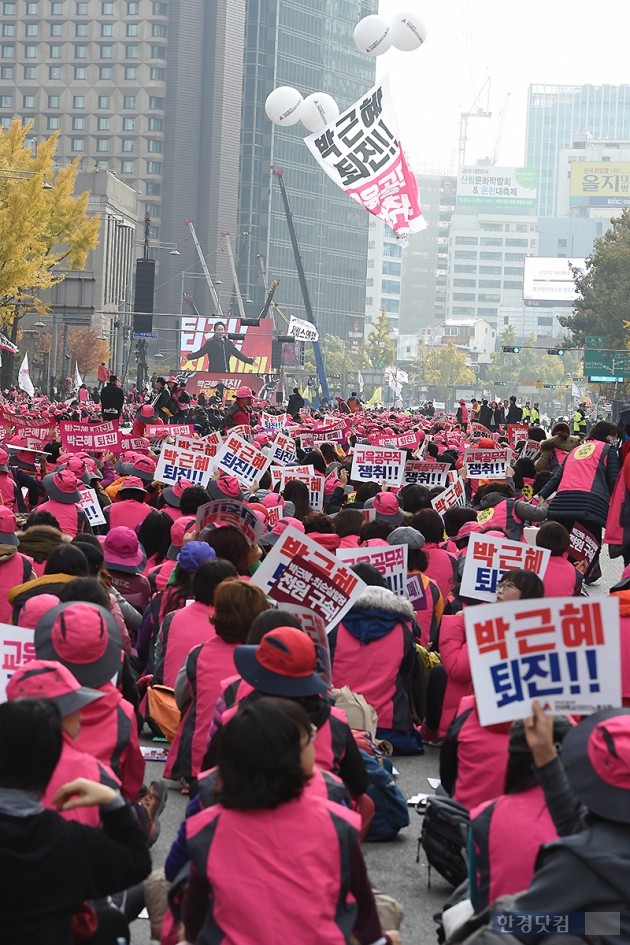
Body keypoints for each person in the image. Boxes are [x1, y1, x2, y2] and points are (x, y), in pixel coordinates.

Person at [182, 697, 400, 945]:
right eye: (309, 737)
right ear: (292, 757)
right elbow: (364, 919)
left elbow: (194, 921)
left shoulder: (206, 829)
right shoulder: (337, 823)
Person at [464, 704, 630, 945]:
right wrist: (544, 753)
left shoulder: (580, 861)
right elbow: (575, 823)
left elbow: (517, 924)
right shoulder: (606, 845)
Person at [0, 698, 151, 945]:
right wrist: (111, 801)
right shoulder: (71, 842)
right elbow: (137, 860)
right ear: (51, 763)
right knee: (110, 922)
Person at [537, 420, 620, 582]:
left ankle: (565, 574)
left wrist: (542, 495)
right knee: (589, 542)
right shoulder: (608, 450)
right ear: (607, 435)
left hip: (563, 502)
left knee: (566, 542)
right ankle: (587, 574)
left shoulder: (576, 450)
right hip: (590, 504)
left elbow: (557, 477)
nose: (614, 439)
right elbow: (614, 480)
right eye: (614, 436)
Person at [187, 320, 255, 372]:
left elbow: (239, 355)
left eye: (222, 330)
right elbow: (200, 353)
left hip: (226, 372)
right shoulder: (210, 343)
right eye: (218, 330)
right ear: (215, 331)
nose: (220, 332)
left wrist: (250, 361)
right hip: (213, 372)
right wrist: (188, 357)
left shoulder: (228, 344)